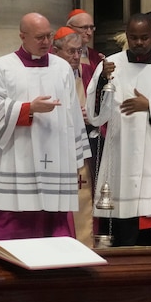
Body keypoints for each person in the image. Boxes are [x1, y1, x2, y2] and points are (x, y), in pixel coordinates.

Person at [0, 13, 91, 240]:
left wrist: (76, 155)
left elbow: (72, 113)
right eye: (39, 37)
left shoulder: (62, 68)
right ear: (22, 36)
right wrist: (29, 108)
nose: (46, 42)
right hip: (17, 157)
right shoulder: (3, 66)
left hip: (55, 157)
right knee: (14, 221)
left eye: (49, 36)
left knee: (53, 220)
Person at [85, 13, 151, 246]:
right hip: (120, 152)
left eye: (144, 37)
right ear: (126, 37)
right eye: (134, 38)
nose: (139, 43)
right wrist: (102, 80)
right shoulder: (111, 65)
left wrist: (150, 106)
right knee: (121, 222)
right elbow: (95, 114)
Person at [51, 26, 95, 246]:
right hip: (58, 146)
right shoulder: (50, 74)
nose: (77, 57)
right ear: (56, 51)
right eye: (71, 51)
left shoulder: (89, 72)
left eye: (80, 51)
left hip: (87, 145)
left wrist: (93, 116)